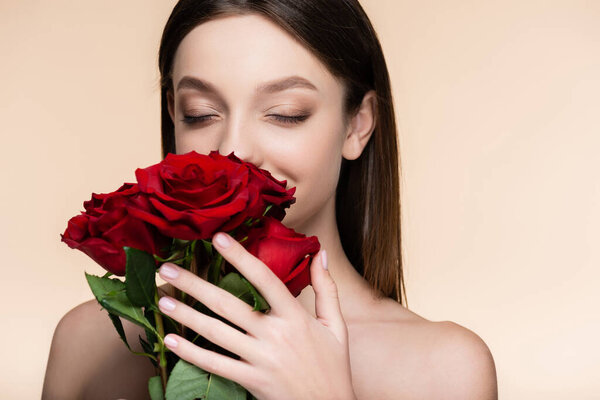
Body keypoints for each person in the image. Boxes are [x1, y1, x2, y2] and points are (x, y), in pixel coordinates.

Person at [43, 1, 498, 399]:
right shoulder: (89, 343)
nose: (235, 150)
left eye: (285, 114)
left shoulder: (444, 370)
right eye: (200, 114)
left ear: (358, 124)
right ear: (172, 116)